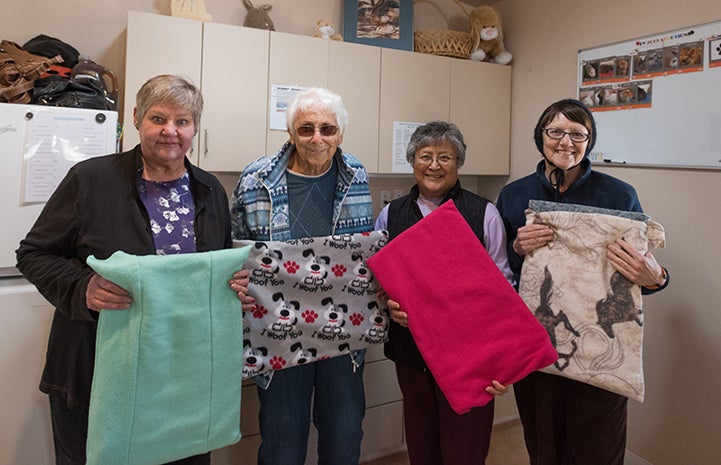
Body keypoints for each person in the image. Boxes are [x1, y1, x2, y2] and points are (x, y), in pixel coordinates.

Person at [15, 74, 251, 465]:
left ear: (195, 128)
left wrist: (232, 285)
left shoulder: (209, 190)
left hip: (182, 376)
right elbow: (35, 253)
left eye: (182, 121)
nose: (170, 131)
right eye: (158, 119)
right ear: (138, 118)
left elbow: (215, 264)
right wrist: (82, 287)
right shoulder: (90, 180)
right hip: (97, 371)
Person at [495, 98, 670, 465]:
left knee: (598, 448)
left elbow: (639, 274)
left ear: (589, 141)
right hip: (538, 342)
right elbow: (502, 273)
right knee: (543, 446)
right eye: (555, 131)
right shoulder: (513, 195)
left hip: (600, 347)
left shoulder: (619, 194)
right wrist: (517, 246)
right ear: (540, 136)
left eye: (578, 134)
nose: (566, 142)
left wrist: (657, 279)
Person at [229, 87, 374, 465]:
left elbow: (363, 253)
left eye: (328, 129)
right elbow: (232, 249)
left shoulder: (355, 173)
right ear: (290, 133)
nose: (317, 139)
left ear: (340, 133)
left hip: (343, 329)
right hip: (277, 330)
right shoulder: (255, 178)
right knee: (281, 440)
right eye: (306, 128)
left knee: (344, 433)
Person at [374, 121, 511, 465]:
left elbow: (504, 287)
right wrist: (388, 304)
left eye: (445, 157)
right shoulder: (390, 215)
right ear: (413, 161)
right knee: (421, 444)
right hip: (411, 351)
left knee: (464, 445)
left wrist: (500, 359)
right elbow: (378, 281)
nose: (434, 165)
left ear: (459, 163)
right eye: (425, 156)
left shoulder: (485, 214)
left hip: (470, 355)